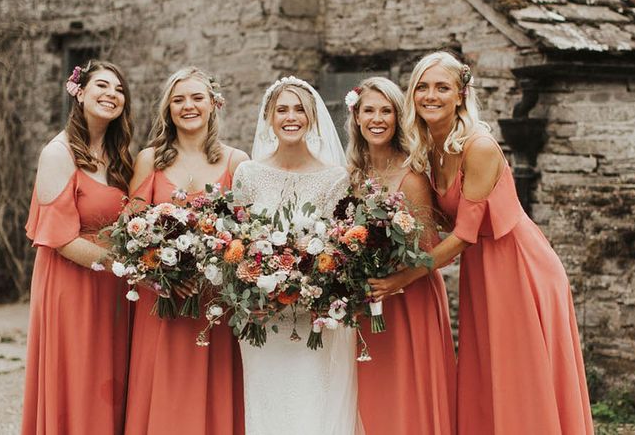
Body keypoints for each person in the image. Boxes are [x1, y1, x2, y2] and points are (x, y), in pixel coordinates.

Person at [369, 52, 594, 435]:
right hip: (481, 267)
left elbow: (463, 236)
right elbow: (438, 217)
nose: (430, 95)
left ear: (461, 94)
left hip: (517, 263)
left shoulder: (480, 147)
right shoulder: (428, 150)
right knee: (488, 371)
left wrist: (403, 278)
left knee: (520, 374)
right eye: (422, 87)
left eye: (442, 87)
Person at [232, 76, 362, 435]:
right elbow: (235, 245)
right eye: (282, 109)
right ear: (269, 118)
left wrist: (312, 289)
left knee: (311, 404)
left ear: (312, 117)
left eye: (300, 109)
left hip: (312, 320)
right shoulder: (248, 174)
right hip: (260, 320)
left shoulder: (335, 178)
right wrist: (250, 290)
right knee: (266, 402)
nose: (292, 117)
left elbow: (341, 251)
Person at [124, 67, 247, 435]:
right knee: (163, 394)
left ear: (213, 105)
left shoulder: (236, 162)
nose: (187, 106)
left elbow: (248, 236)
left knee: (212, 394)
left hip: (214, 305)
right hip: (161, 303)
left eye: (196, 98)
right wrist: (159, 276)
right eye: (178, 100)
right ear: (168, 109)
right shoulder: (149, 160)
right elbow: (129, 231)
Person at [22, 61, 134, 435]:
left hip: (112, 287)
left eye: (119, 90)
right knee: (78, 378)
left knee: (110, 383)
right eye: (102, 85)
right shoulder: (58, 153)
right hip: (71, 286)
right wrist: (126, 264)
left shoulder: (121, 157)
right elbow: (62, 239)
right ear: (79, 92)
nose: (112, 94)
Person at [345, 77, 456, 435]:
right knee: (371, 395)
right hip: (369, 299)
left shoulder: (412, 176)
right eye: (369, 111)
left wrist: (394, 277)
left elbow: (429, 249)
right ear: (357, 118)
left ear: (397, 117)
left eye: (386, 111)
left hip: (410, 298)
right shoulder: (352, 176)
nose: (377, 119)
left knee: (407, 394)